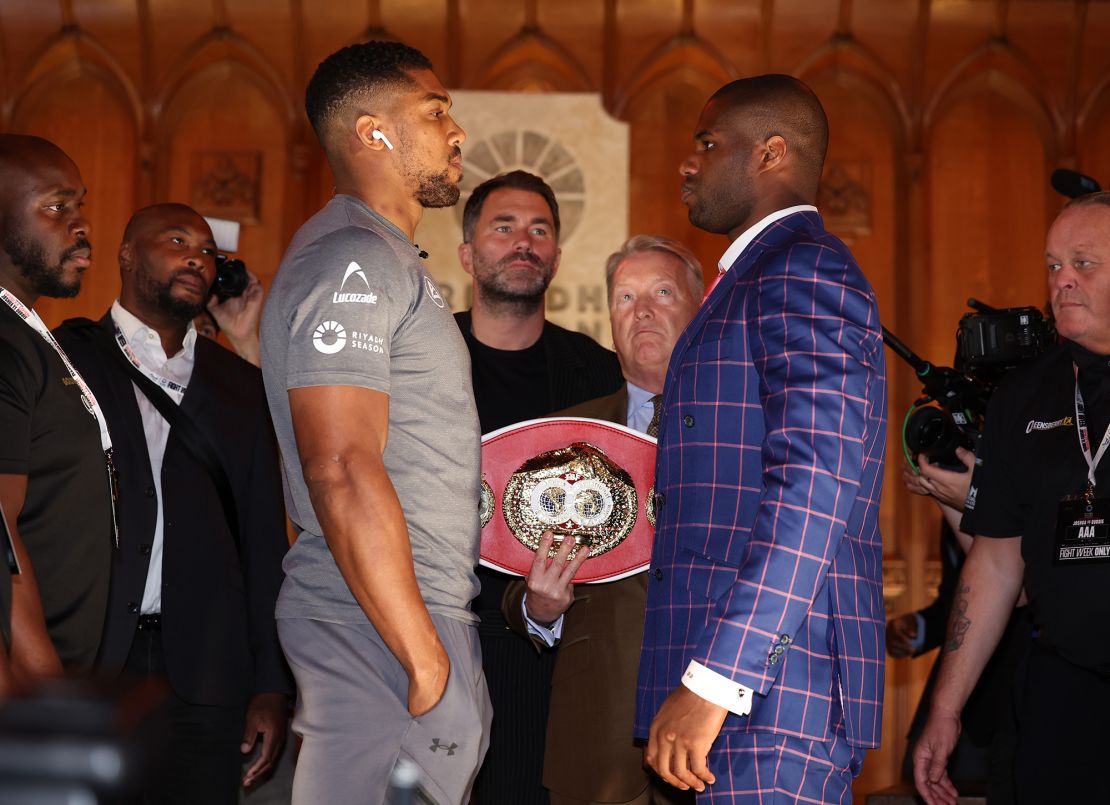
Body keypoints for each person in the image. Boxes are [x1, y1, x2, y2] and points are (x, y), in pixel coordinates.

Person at [635, 75, 887, 803]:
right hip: (738, 702)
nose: (689, 163)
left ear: (771, 153)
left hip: (773, 698)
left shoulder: (804, 267)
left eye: (707, 144)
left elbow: (816, 483)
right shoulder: (754, 276)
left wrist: (719, 677)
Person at [259, 41, 491, 805]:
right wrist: (426, 665)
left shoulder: (386, 258)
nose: (457, 132)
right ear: (372, 132)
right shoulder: (354, 259)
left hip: (405, 619)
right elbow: (340, 466)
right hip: (377, 630)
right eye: (435, 111)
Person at [53, 203, 292, 804]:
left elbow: (264, 543)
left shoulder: (240, 384)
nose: (197, 257)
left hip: (209, 670)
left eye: (209, 250)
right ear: (127, 253)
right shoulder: (64, 361)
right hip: (91, 659)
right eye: (177, 240)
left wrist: (271, 685)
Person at [913, 191, 1110, 805]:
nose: (1064, 281)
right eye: (1054, 265)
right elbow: (996, 561)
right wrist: (945, 708)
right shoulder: (1026, 394)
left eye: (1085, 262)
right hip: (1065, 693)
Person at [502, 234, 703, 805]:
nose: (642, 311)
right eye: (624, 297)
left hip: (722, 730)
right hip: (597, 736)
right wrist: (538, 609)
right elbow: (513, 583)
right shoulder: (563, 438)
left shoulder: (750, 426)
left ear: (700, 305)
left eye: (662, 292)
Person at [454, 169, 624, 805]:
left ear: (555, 255)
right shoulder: (417, 357)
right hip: (431, 643)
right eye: (504, 227)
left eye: (539, 230)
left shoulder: (599, 374)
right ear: (468, 254)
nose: (523, 241)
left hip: (555, 658)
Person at [0, 135, 113, 684]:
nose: (80, 224)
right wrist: (44, 689)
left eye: (80, 205)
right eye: (55, 207)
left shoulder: (26, 332)